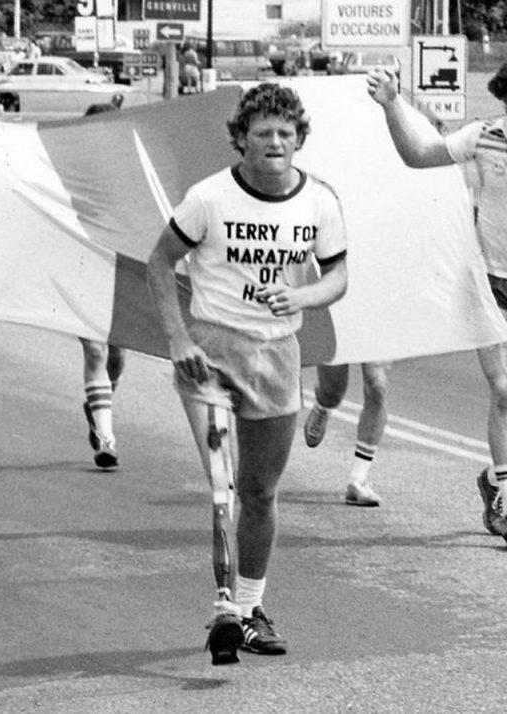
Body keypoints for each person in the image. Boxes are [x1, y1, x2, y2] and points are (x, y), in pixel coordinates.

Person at [147, 83, 347, 664]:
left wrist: (304, 295)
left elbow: (339, 277)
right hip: (210, 354)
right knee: (221, 485)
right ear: (241, 140)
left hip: (276, 354)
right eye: (263, 134)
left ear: (300, 139)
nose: (276, 142)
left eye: (286, 133)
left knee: (259, 491)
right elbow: (160, 261)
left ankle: (251, 609)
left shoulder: (319, 203)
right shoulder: (208, 198)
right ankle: (224, 609)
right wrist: (178, 338)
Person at [366, 56, 507, 546]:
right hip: (488, 280)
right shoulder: (483, 136)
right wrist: (391, 104)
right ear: (504, 98)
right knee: (505, 391)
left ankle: (494, 479)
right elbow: (419, 154)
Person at [79, 101, 127, 469]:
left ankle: (97, 404)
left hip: (116, 274)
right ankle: (106, 440)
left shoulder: (122, 173)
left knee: (116, 357)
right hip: (81, 271)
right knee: (94, 352)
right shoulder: (71, 173)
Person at [303, 362, 390, 507]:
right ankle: (324, 405)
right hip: (342, 338)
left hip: (374, 338)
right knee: (332, 392)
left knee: (377, 386)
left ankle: (358, 480)